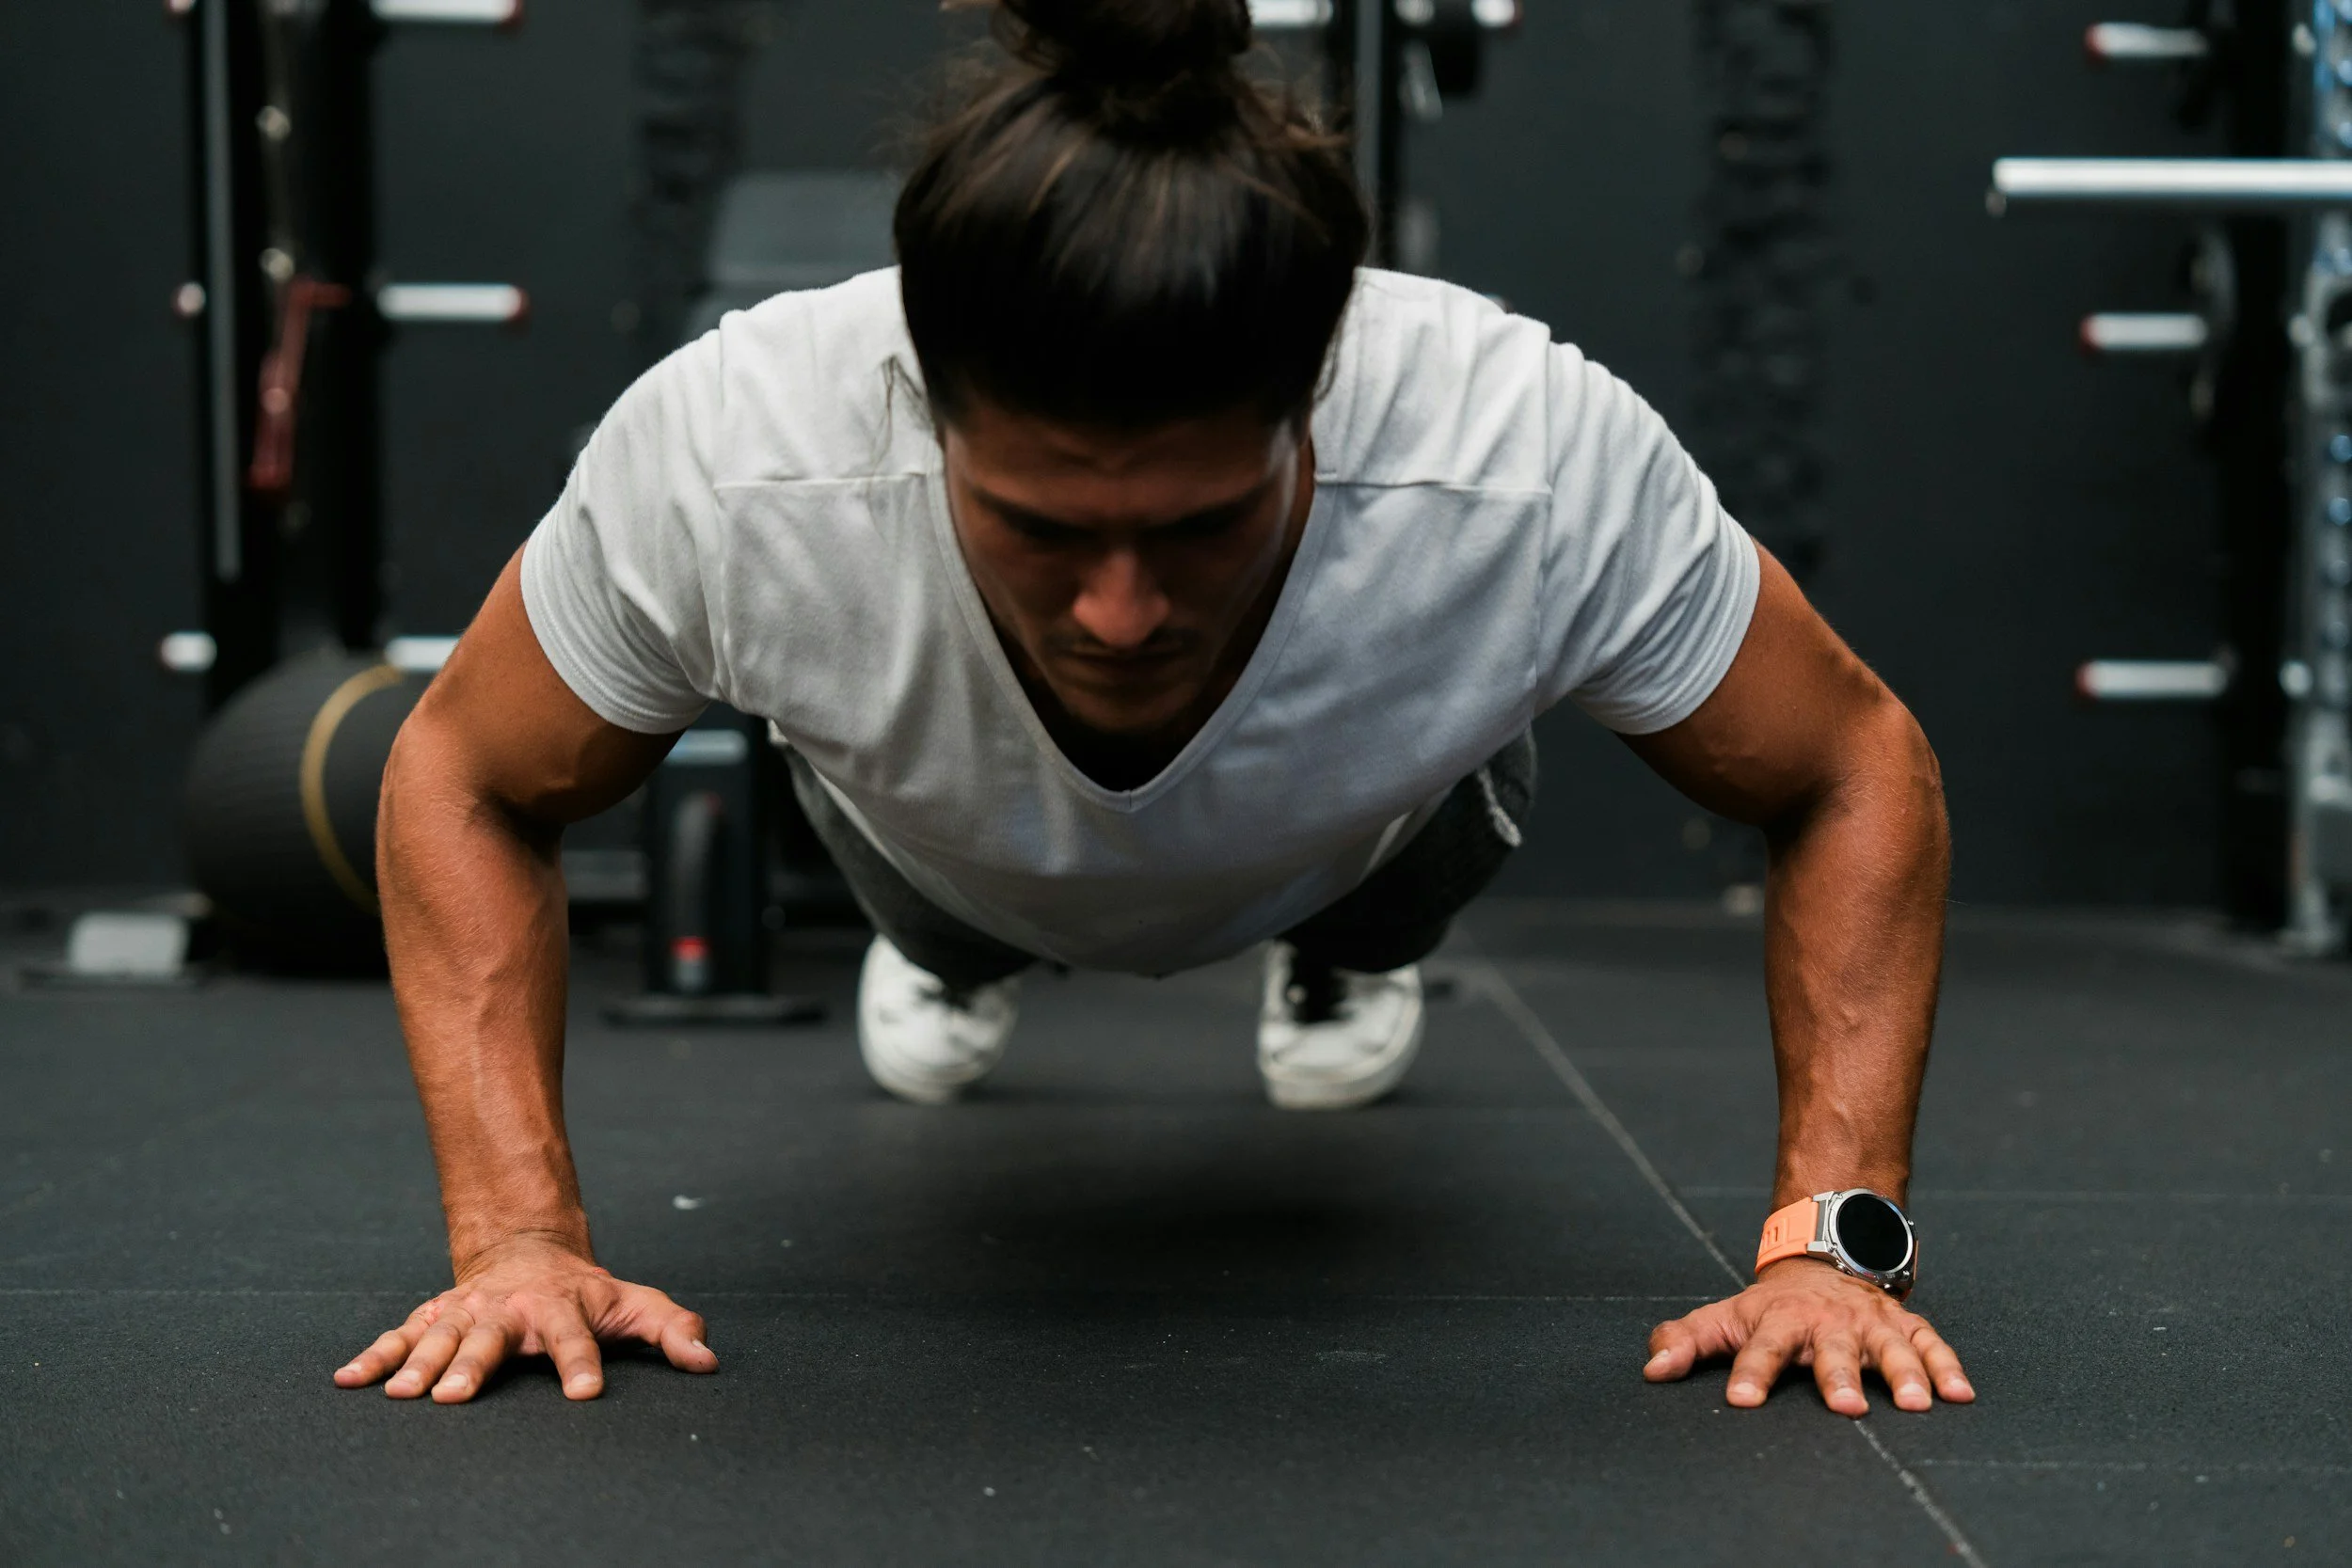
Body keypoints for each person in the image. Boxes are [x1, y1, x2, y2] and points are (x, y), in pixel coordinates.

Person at [334, 0, 1973, 1421]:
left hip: (1364, 838)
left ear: (1316, 397)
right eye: (1044, 529)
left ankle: (1327, 953)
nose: (1122, 611)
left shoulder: (1520, 453)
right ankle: (958, 937)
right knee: (952, 892)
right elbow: (463, 771)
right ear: (924, 407)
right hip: (943, 841)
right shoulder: (741, 457)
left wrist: (1837, 1246)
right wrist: (519, 1239)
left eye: (1199, 526)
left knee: (1400, 846)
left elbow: (1851, 762)